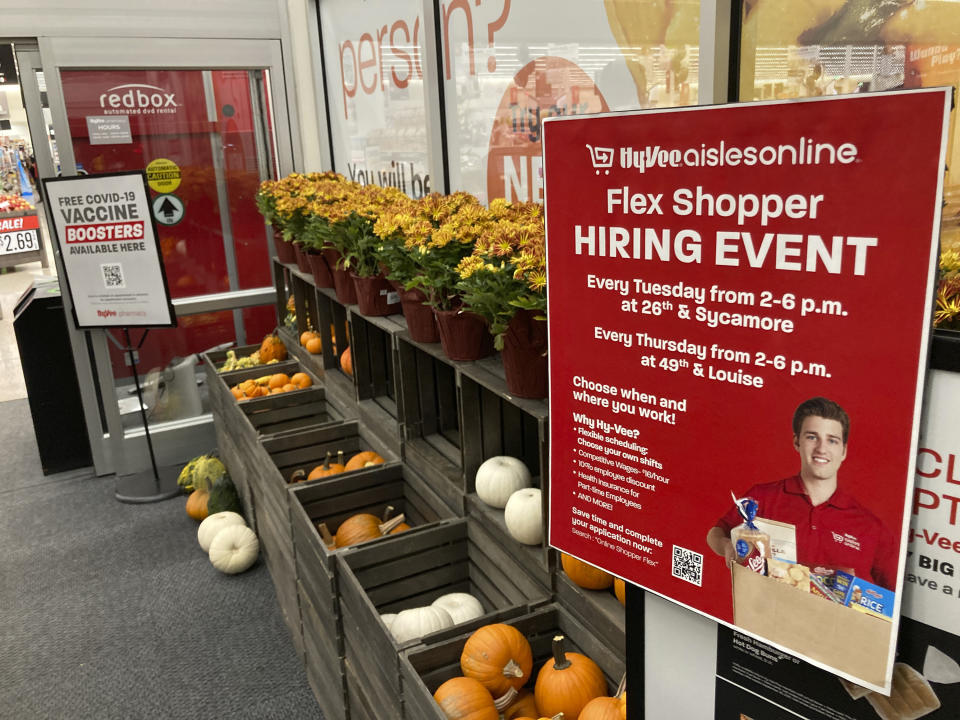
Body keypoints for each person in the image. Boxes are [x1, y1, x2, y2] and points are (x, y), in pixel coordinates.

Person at [706, 397, 898, 589]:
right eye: (812, 437)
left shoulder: (871, 527)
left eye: (832, 440)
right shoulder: (762, 497)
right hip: (767, 614)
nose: (822, 449)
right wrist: (727, 546)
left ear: (844, 451)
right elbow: (716, 532)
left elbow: (891, 598)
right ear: (797, 442)